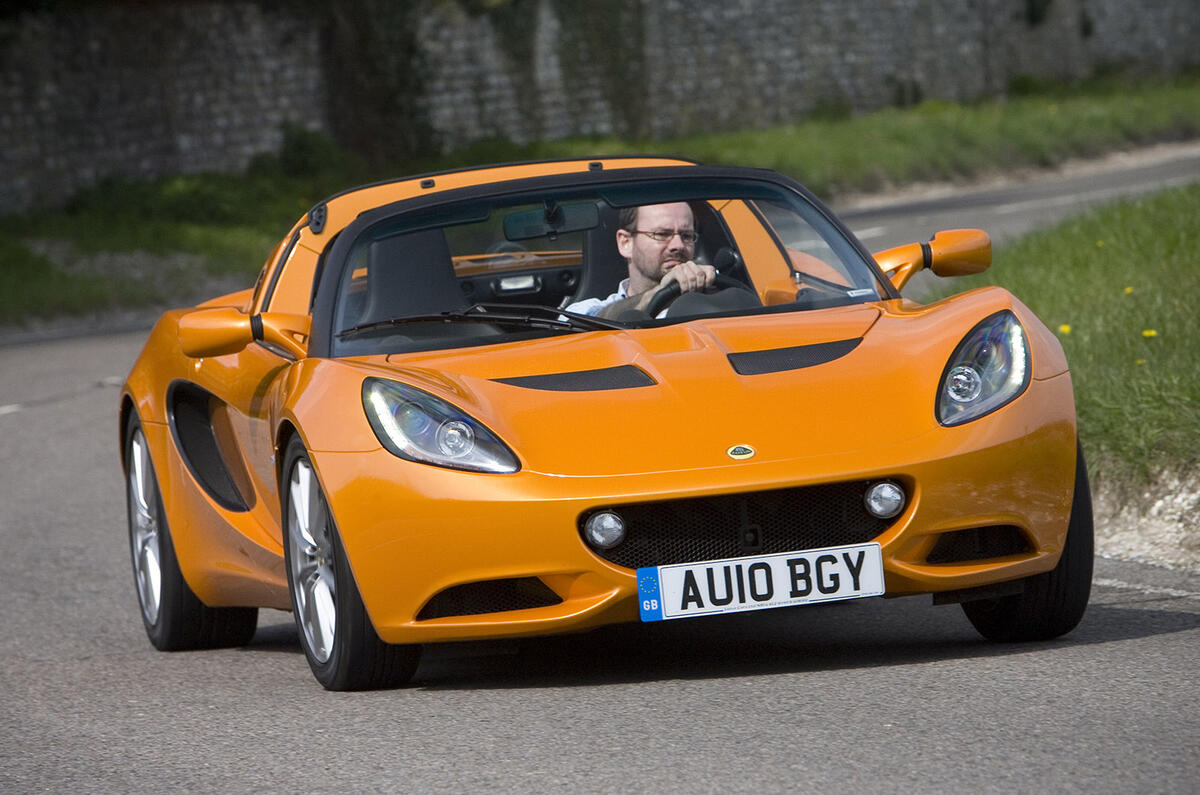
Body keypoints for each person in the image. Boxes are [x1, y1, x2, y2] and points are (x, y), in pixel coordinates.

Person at [565, 202, 716, 319]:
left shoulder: (716, 301)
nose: (678, 245)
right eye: (662, 234)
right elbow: (583, 326)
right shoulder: (584, 311)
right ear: (626, 243)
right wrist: (662, 293)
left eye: (687, 236)